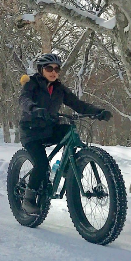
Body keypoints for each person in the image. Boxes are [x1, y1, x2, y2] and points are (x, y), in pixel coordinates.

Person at [18, 53, 113, 215]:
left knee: (70, 131)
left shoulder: (59, 88)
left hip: (49, 129)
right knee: (41, 165)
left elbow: (77, 104)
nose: (53, 72)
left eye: (57, 69)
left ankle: (67, 166)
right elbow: (24, 100)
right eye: (49, 68)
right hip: (31, 131)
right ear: (41, 69)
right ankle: (28, 199)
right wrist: (35, 109)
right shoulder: (31, 84)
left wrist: (98, 112)